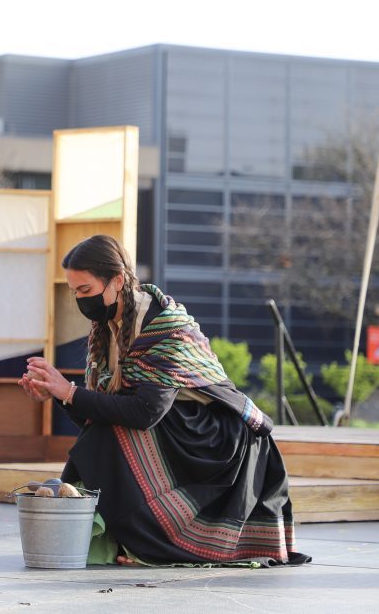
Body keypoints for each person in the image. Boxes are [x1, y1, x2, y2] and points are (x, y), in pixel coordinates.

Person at [19, 235, 309, 567]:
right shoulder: (105, 331)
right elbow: (97, 415)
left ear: (117, 280)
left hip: (221, 439)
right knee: (101, 434)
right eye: (75, 293)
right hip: (181, 426)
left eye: (85, 290)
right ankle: (110, 535)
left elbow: (145, 412)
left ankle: (143, 543)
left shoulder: (164, 326)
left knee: (108, 436)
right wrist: (59, 396)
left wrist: (69, 392)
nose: (80, 300)